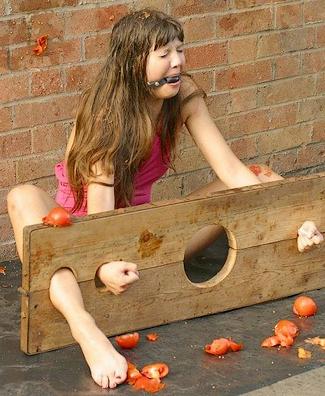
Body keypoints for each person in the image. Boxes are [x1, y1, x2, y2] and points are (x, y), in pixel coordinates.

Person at [7, 9, 323, 390]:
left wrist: (298, 221)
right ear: (133, 62)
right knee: (23, 197)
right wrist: (100, 267)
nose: (177, 61)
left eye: (180, 49)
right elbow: (99, 221)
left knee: (262, 179)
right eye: (164, 53)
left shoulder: (183, 96)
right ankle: (86, 329)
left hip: (145, 235)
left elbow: (233, 173)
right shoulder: (106, 116)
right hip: (81, 233)